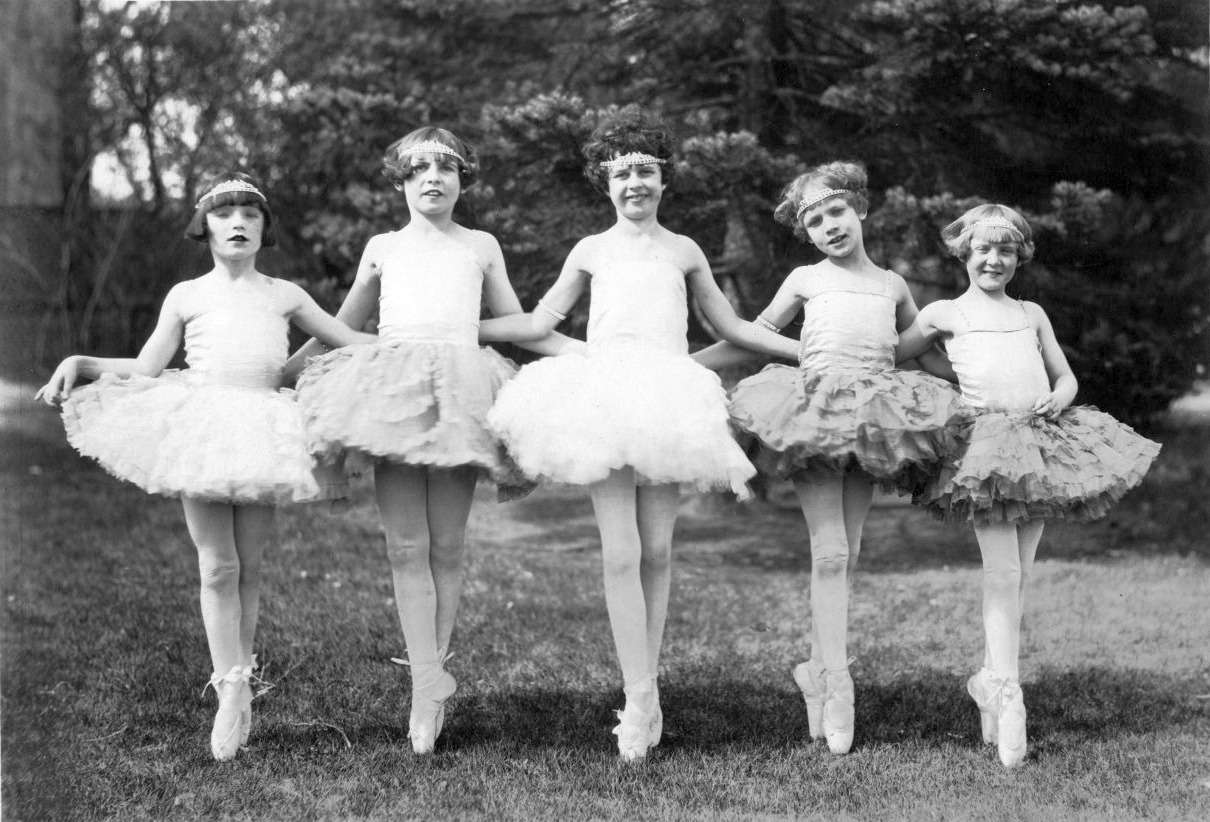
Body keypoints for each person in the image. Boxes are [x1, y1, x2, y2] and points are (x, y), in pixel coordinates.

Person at [479, 110, 798, 762]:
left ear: (663, 179)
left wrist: (803, 350)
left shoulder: (684, 250)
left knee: (656, 549)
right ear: (605, 182)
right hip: (604, 398)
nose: (634, 183)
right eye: (621, 173)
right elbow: (538, 323)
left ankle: (646, 691)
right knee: (620, 552)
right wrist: (463, 329)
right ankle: (639, 695)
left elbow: (732, 329)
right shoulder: (590, 250)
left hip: (667, 401)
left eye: (645, 171)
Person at [35, 172, 373, 761]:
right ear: (205, 227)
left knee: (250, 566)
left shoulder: (285, 295)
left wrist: (426, 346)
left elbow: (346, 338)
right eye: (224, 214)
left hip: (264, 427)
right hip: (203, 425)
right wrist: (81, 360)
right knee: (218, 566)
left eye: (250, 214)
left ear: (265, 228)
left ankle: (241, 682)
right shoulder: (186, 295)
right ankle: (230, 689)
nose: (238, 223)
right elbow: (146, 367)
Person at [285, 127, 578, 755]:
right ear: (401, 181)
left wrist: (584, 351)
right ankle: (426, 682)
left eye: (446, 168)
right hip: (391, 395)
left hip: (461, 392)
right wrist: (286, 372)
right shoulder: (383, 247)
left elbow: (517, 322)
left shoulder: (480, 245)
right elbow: (342, 323)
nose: (433, 179)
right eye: (419, 169)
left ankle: (431, 685)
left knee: (446, 545)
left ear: (462, 180)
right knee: (404, 546)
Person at [694, 161, 963, 756]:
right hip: (813, 413)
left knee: (851, 551)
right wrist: (689, 364)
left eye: (837, 211)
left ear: (860, 209)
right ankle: (839, 686)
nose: (829, 227)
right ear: (807, 233)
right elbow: (750, 332)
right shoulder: (805, 279)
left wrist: (979, 378)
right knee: (832, 551)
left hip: (872, 418)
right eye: (815, 221)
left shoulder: (893, 285)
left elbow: (915, 351)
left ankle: (816, 670)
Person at [896, 203, 1160, 767]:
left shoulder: (1030, 313)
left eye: (1006, 250)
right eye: (983, 249)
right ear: (964, 253)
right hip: (988, 450)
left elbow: (1065, 377)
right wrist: (947, 382)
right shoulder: (944, 313)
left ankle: (990, 680)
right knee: (1003, 573)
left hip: (1039, 445)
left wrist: (1059, 397)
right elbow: (898, 354)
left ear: (1020, 257)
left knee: (1020, 575)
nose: (994, 259)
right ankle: (1009, 694)